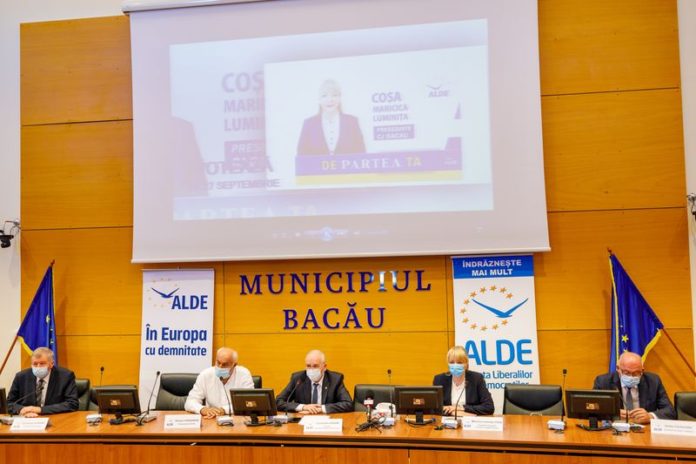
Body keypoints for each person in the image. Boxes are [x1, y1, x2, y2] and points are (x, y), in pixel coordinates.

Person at [592, 351, 676, 424]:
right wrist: (612, 414)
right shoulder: (603, 382)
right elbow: (593, 409)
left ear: (642, 370)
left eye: (636, 373)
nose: (631, 377)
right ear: (618, 369)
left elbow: (670, 411)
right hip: (616, 430)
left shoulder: (653, 381)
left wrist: (650, 416)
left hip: (644, 430)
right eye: (626, 373)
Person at [296, 79, 366, 156]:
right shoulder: (309, 124)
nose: (329, 100)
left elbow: (361, 154)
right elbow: (301, 156)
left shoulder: (352, 122)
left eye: (334, 95)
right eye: (324, 96)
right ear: (319, 100)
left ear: (340, 98)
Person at [276, 349, 353, 414]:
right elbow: (278, 402)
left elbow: (348, 404)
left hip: (327, 421)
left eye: (315, 366)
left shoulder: (335, 379)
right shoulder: (298, 379)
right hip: (303, 421)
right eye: (308, 366)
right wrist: (303, 407)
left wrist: (321, 409)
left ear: (324, 367)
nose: (311, 370)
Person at [7, 347, 78, 416]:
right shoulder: (21, 377)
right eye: (35, 364)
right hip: (27, 418)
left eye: (42, 363)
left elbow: (72, 404)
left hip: (55, 417)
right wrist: (21, 409)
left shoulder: (65, 376)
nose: (38, 367)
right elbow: (9, 403)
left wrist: (40, 410)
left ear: (52, 364)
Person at [185, 347, 254, 418]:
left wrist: (224, 410)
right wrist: (202, 409)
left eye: (225, 364)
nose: (220, 367)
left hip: (236, 419)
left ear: (234, 365)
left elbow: (248, 402)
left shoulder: (243, 375)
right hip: (210, 419)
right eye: (218, 362)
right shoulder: (205, 375)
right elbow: (190, 402)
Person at [432, 345, 494, 416]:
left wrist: (461, 408)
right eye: (452, 362)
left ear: (466, 364)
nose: (455, 365)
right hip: (447, 421)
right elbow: (432, 408)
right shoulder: (440, 379)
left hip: (471, 421)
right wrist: (453, 413)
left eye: (459, 362)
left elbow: (489, 407)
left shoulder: (476, 378)